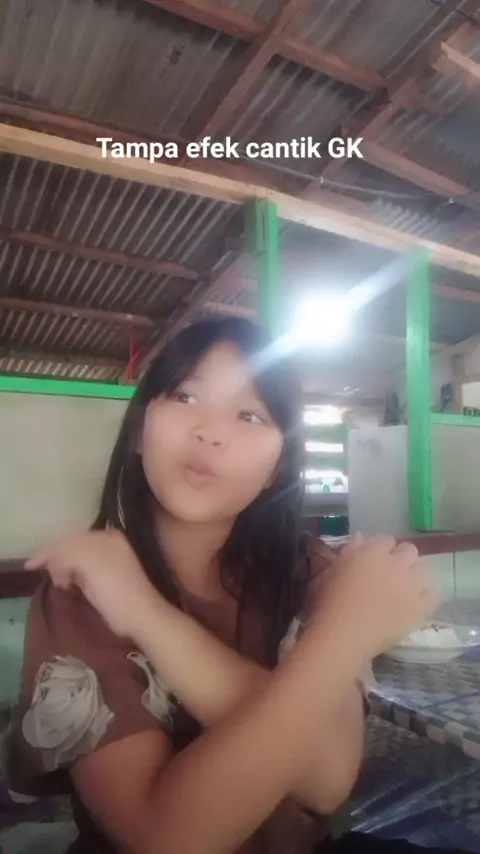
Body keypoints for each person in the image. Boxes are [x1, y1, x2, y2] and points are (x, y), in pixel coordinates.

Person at [6, 317, 460, 854]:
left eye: (249, 414)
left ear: (276, 470)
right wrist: (347, 632)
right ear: (139, 431)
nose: (210, 431)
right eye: (185, 396)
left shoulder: (310, 570)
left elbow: (327, 778)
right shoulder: (80, 592)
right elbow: (167, 840)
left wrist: (144, 611)